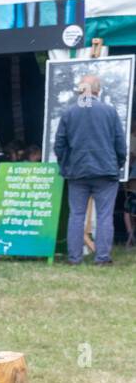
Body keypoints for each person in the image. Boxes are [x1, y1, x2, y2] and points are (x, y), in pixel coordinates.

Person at [55, 74, 127, 266]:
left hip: (77, 172)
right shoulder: (109, 111)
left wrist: (65, 164)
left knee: (76, 214)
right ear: (98, 90)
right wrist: (117, 163)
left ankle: (74, 258)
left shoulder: (69, 112)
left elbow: (59, 145)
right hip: (106, 171)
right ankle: (102, 258)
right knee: (104, 215)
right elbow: (120, 144)